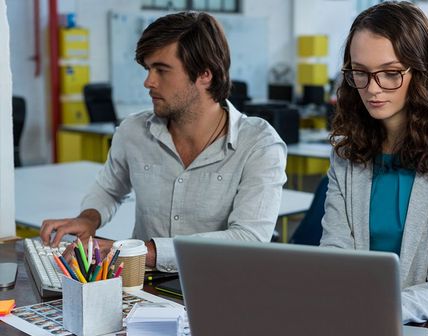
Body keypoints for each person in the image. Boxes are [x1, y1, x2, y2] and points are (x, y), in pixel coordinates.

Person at [41, 11, 287, 272]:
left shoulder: (259, 144)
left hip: (219, 286)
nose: (148, 82)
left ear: (205, 74)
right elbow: (109, 189)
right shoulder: (133, 131)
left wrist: (139, 252)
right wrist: (88, 218)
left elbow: (248, 239)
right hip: (143, 287)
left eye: (161, 70)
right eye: (148, 69)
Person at [320, 1, 428, 334]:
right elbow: (335, 256)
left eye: (390, 73)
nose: (372, 88)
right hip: (362, 326)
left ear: (421, 72)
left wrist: (374, 309)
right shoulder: (346, 153)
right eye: (360, 72)